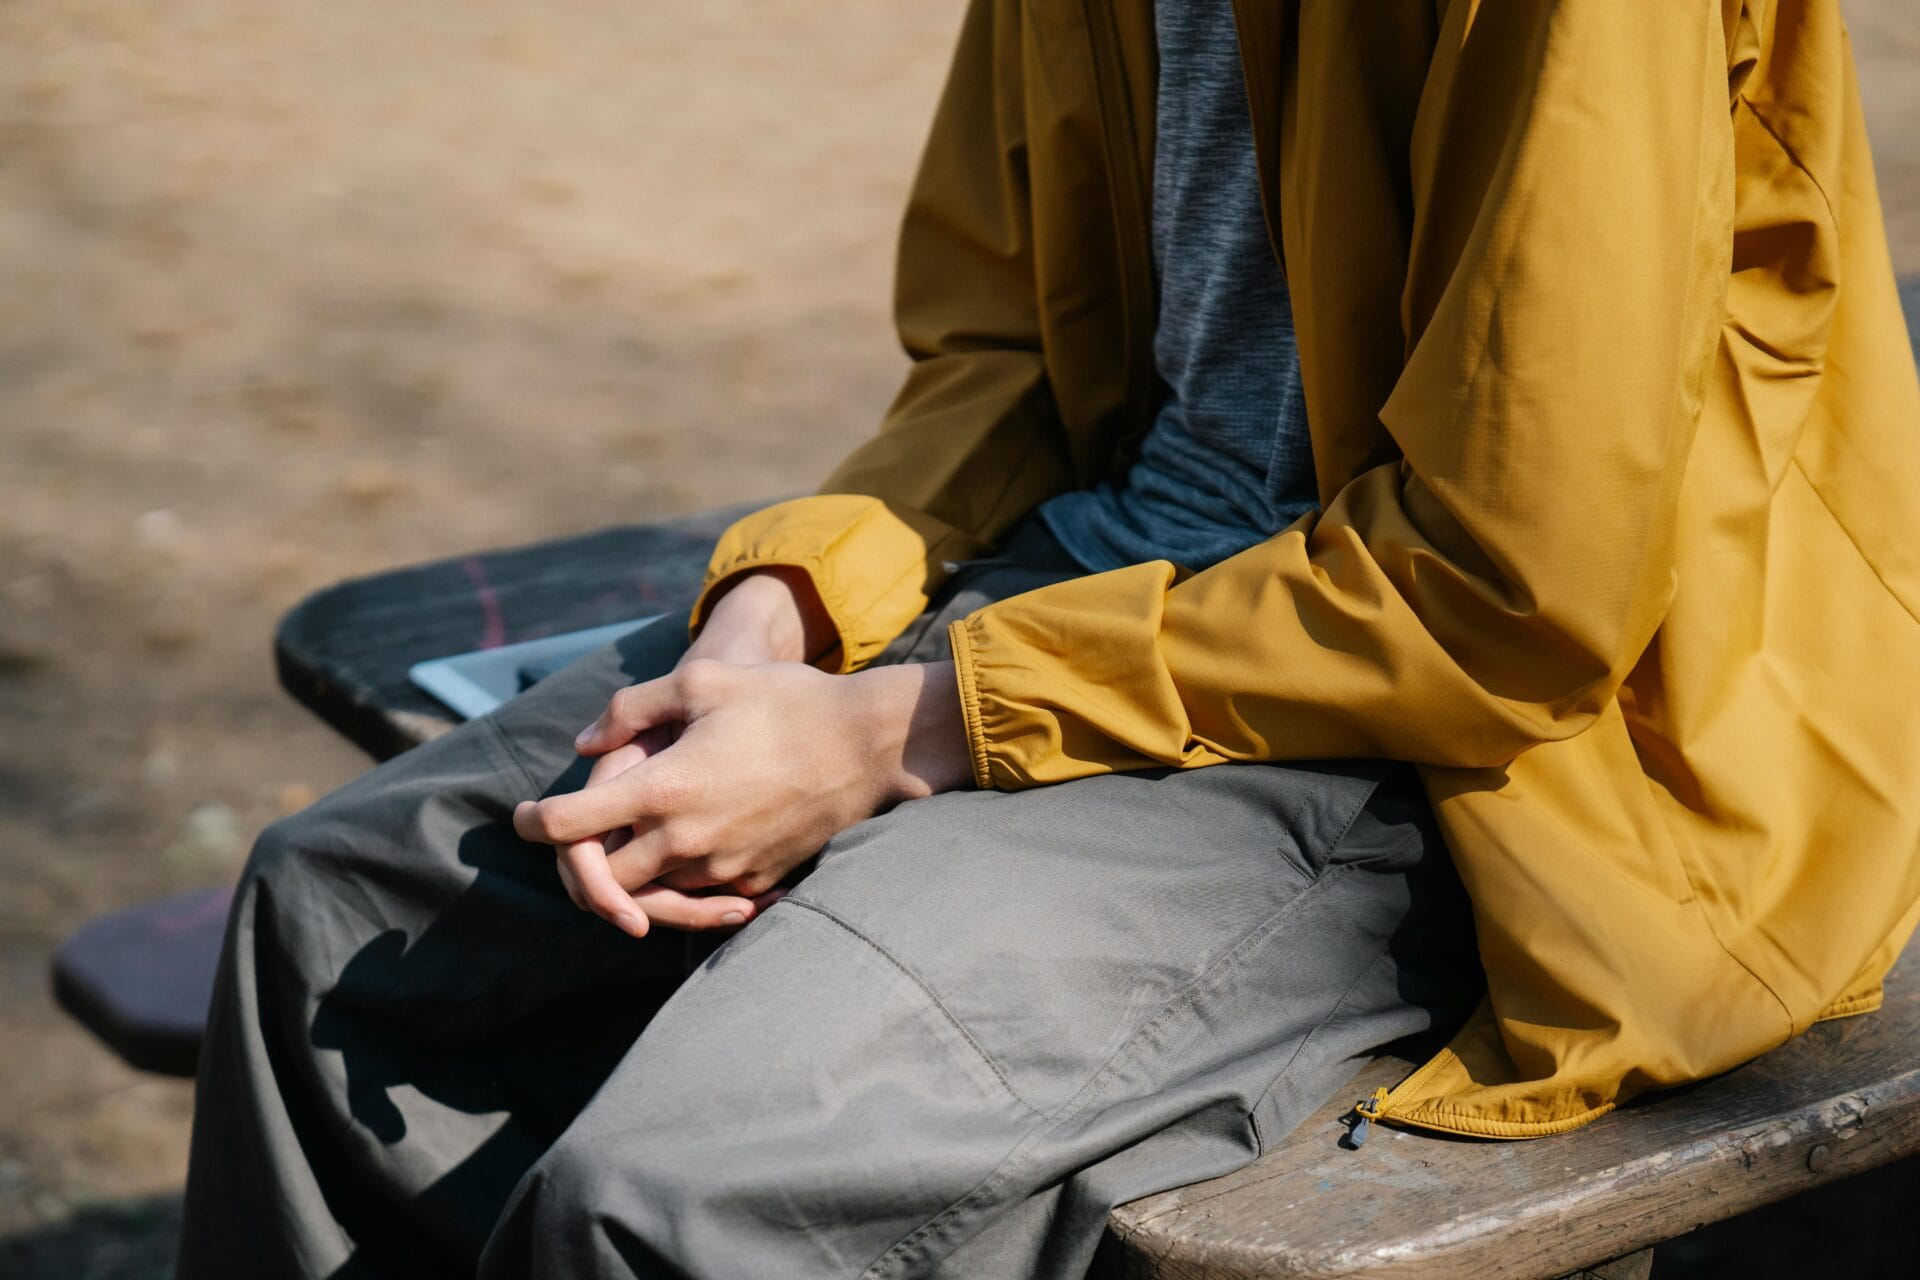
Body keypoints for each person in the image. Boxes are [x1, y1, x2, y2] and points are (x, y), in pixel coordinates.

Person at [178, 2, 1920, 1276]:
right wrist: (785, 619)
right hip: (1082, 580)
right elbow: (1001, 345)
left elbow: (1512, 590)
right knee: (332, 914)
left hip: (1483, 744)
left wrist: (889, 737)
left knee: (679, 1188)